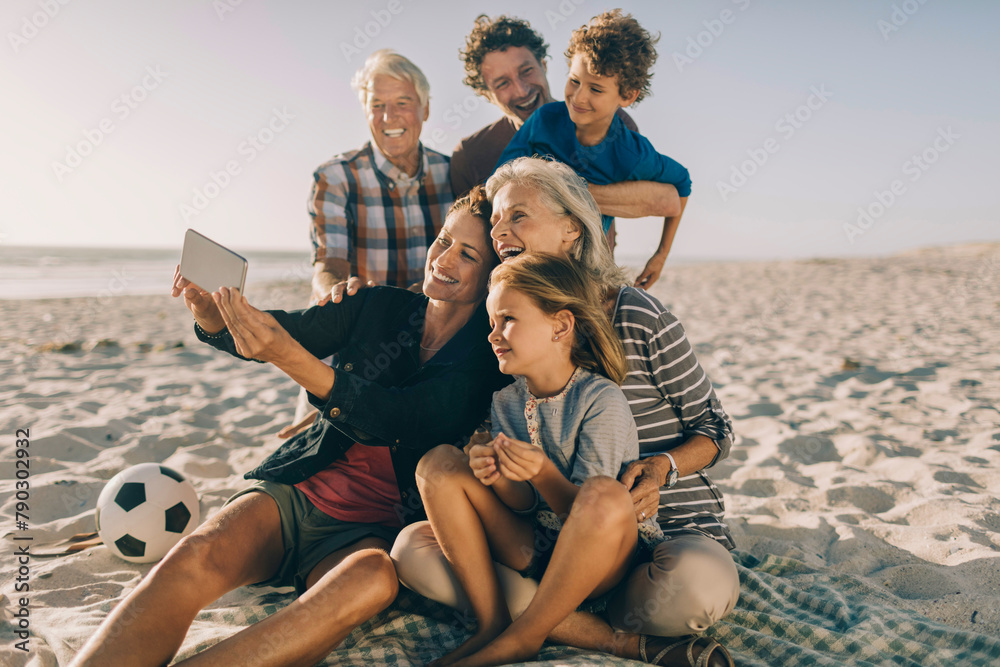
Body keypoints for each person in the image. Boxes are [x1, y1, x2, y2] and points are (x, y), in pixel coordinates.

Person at [70, 189, 507, 667]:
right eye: (443, 240)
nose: (444, 258)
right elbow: (286, 329)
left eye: (467, 254)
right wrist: (215, 316)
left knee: (374, 579)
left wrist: (286, 357)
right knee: (196, 555)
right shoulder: (377, 305)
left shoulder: (484, 360)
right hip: (296, 491)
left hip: (373, 531)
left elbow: (396, 417)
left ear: (490, 275)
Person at [390, 158, 737, 667]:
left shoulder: (637, 314)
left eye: (518, 216)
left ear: (572, 229)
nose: (500, 231)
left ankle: (546, 623)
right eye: (496, 223)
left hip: (661, 539)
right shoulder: (508, 332)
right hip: (548, 537)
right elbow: (520, 488)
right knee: (412, 551)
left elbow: (718, 428)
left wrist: (663, 468)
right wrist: (489, 461)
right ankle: (600, 636)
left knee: (694, 590)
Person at [418, 253, 660, 666]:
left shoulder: (601, 400)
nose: (493, 335)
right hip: (536, 549)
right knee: (438, 463)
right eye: (491, 323)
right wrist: (495, 476)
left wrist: (544, 472)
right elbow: (524, 505)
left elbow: (588, 512)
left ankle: (525, 636)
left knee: (604, 492)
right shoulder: (507, 401)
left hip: (600, 562)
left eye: (507, 320)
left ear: (561, 326)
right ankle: (491, 625)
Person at [449, 14, 681, 277]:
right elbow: (467, 239)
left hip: (591, 284)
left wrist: (557, 196)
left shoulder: (612, 123)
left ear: (544, 65)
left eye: (527, 71)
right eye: (502, 83)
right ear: (486, 94)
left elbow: (665, 200)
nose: (522, 89)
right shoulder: (470, 155)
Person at [310, 48, 453, 302]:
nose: (389, 117)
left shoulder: (454, 174)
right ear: (366, 112)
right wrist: (336, 291)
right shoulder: (335, 177)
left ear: (426, 109)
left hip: (439, 328)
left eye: (402, 103)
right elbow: (329, 265)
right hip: (363, 325)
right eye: (377, 105)